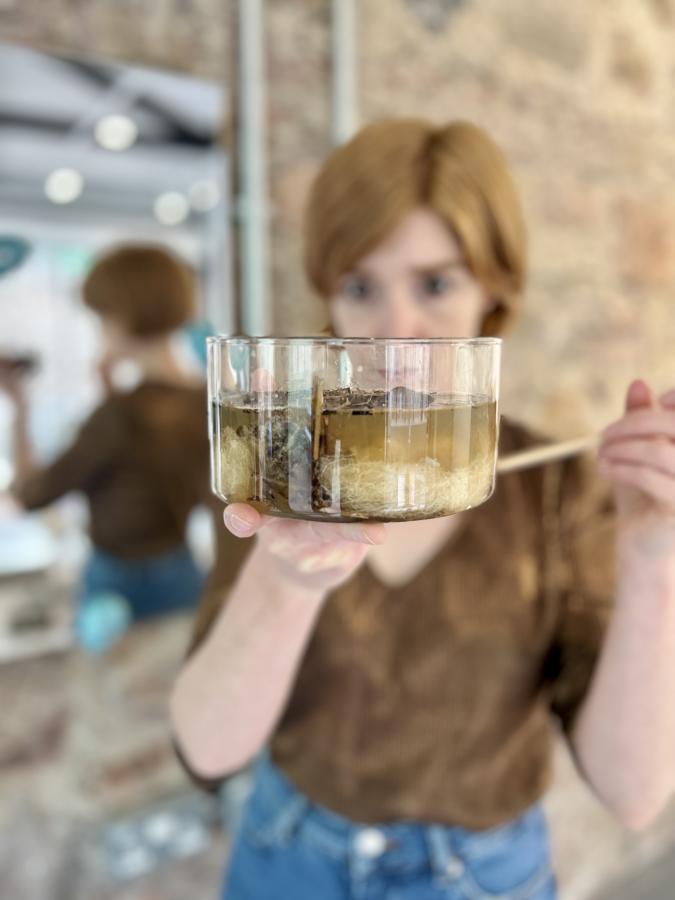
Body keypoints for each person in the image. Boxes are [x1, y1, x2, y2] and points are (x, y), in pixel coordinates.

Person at [170, 120, 675, 899]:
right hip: (287, 858)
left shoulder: (557, 490)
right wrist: (288, 580)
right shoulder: (281, 456)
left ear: (495, 287)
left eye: (435, 285)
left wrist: (653, 561)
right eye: (359, 287)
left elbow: (633, 794)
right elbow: (207, 749)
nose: (394, 333)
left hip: (484, 877)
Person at [1, 244, 215, 629]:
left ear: (122, 318)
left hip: (120, 585)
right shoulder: (207, 401)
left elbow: (32, 493)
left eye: (101, 319)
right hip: (183, 572)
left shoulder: (117, 416)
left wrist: (20, 409)